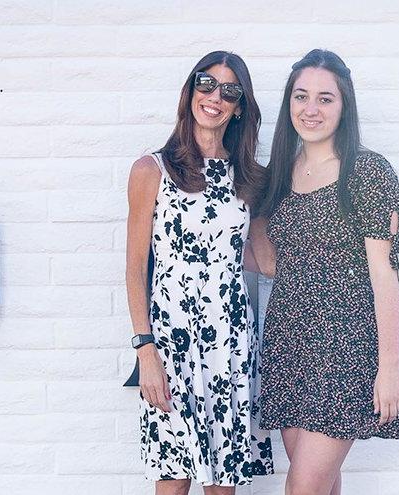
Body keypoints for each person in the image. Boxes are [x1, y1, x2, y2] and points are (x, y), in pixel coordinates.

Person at [249, 49, 399, 495]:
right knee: (320, 486)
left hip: (345, 349)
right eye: (301, 97)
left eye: (325, 98)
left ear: (345, 106)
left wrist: (390, 367)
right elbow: (268, 265)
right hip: (289, 346)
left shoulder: (367, 171)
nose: (311, 109)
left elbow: (385, 274)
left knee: (302, 489)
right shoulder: (278, 175)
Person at [124, 50, 273, 494]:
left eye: (230, 90)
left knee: (222, 484)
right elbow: (135, 269)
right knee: (172, 480)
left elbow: (264, 261)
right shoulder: (152, 169)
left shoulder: (251, 178)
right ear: (190, 90)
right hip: (171, 342)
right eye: (206, 83)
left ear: (240, 105)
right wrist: (144, 350)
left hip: (231, 341)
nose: (215, 96)